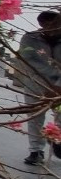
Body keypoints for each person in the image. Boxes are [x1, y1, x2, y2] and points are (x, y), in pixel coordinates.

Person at [18, 9, 61, 166]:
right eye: (46, 24)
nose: (52, 27)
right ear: (41, 24)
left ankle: (57, 141)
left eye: (56, 23)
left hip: (60, 87)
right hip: (35, 84)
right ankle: (36, 150)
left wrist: (58, 85)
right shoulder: (30, 38)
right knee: (35, 116)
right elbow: (30, 60)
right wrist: (50, 79)